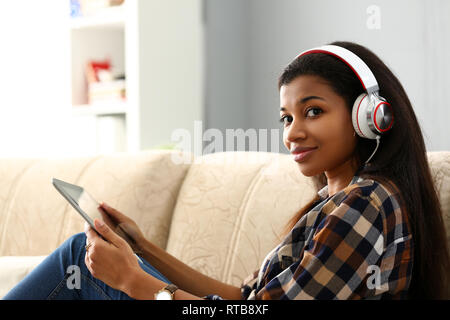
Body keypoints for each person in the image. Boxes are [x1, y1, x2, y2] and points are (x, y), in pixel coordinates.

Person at [3, 41, 449, 300]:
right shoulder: (338, 202)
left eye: (312, 111)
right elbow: (242, 302)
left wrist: (136, 283)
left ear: (369, 115)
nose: (293, 133)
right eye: (286, 118)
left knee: (74, 259)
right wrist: (144, 249)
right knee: (84, 254)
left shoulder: (366, 204)